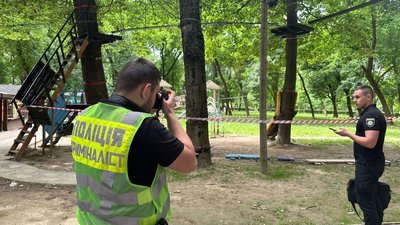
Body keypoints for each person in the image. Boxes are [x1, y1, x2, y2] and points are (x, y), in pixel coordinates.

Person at [71, 58, 197, 225]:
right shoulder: (144, 127)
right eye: (155, 92)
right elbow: (189, 163)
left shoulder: (86, 116)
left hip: (89, 220)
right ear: (146, 90)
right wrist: (170, 114)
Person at [335, 85, 387, 224]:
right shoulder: (369, 113)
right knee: (371, 198)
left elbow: (370, 142)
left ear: (368, 97)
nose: (354, 100)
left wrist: (348, 134)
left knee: (366, 202)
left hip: (368, 165)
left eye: (357, 97)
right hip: (370, 163)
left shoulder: (371, 115)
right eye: (353, 97)